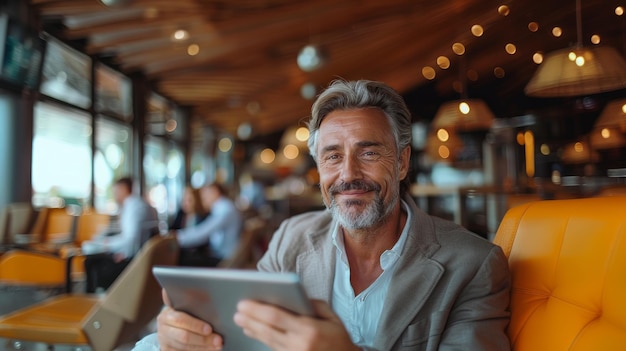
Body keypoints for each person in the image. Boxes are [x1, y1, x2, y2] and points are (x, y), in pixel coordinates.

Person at [136, 80, 511, 350]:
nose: (348, 174)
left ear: (401, 163)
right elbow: (247, 336)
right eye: (332, 156)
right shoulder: (292, 237)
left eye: (368, 153)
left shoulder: (473, 265)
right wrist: (177, 337)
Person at [82, 177, 158, 293]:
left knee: (91, 261)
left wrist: (108, 245)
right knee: (94, 258)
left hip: (134, 261)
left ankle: (93, 300)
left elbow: (131, 239)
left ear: (123, 189)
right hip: (141, 256)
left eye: (116, 191)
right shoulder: (137, 204)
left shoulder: (133, 206)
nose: (114, 195)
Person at [175, 182, 243, 267]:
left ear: (215, 191)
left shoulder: (225, 210)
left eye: (205, 195)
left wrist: (175, 238)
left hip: (223, 259)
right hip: (222, 256)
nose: (203, 199)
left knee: (182, 260)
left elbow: (202, 233)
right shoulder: (223, 207)